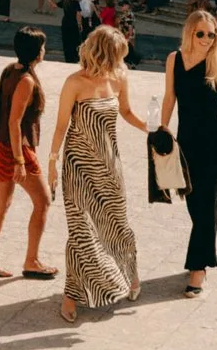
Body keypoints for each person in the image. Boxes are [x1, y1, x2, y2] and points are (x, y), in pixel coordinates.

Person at [46, 23, 147, 323]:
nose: (121, 62)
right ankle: (71, 295)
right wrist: (52, 163)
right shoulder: (74, 83)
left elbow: (126, 112)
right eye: (117, 55)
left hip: (109, 165)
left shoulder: (119, 77)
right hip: (77, 167)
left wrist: (151, 128)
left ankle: (131, 276)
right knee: (81, 233)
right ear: (104, 53)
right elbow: (61, 127)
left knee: (117, 225)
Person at [158, 9, 217, 298]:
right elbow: (169, 97)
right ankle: (202, 255)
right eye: (201, 33)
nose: (206, 39)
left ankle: (198, 269)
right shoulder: (173, 60)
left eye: (212, 34)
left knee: (207, 205)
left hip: (214, 142)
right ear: (190, 32)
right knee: (193, 204)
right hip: (186, 141)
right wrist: (162, 130)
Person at [0, 28, 53, 281]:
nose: (44, 50)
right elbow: (14, 122)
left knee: (0, 206)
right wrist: (20, 160)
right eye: (42, 46)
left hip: (1, 145)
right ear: (36, 51)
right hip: (17, 149)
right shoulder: (27, 81)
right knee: (43, 202)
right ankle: (32, 261)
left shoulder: (10, 70)